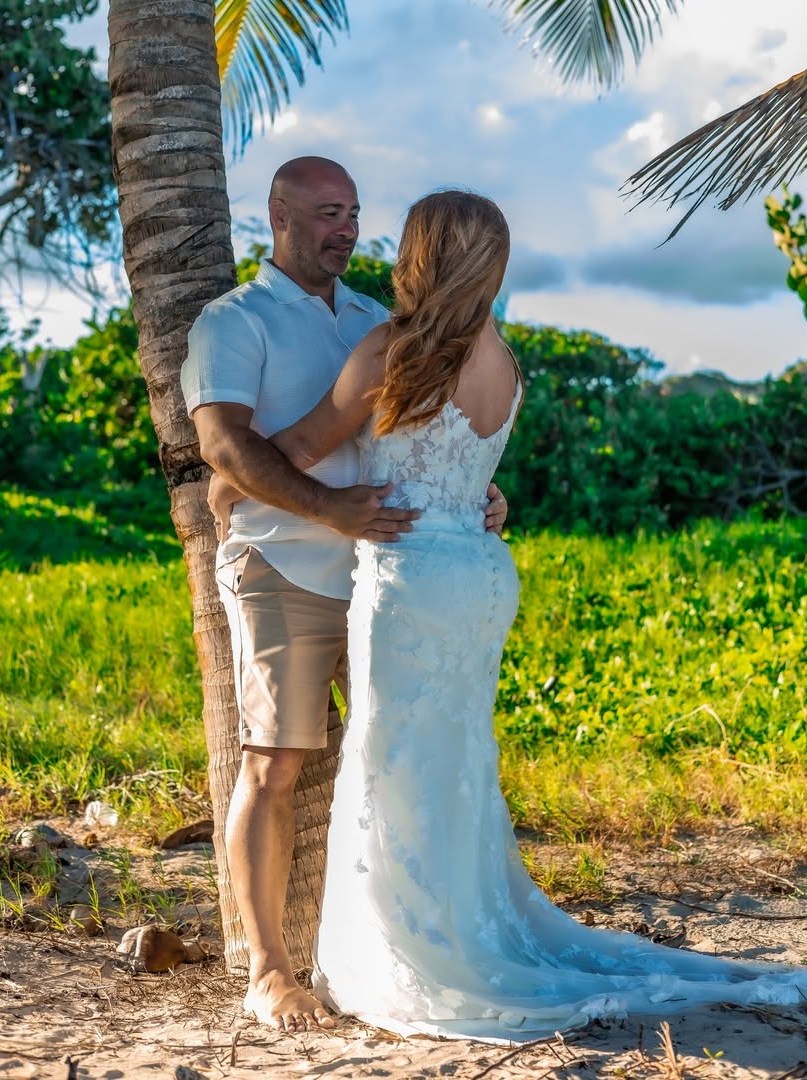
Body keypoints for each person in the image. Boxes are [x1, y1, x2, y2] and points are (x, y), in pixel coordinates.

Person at [262, 189, 807, 1042]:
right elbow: (466, 465)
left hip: (411, 573)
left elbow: (297, 452)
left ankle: (417, 946)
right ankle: (464, 921)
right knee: (451, 761)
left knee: (396, 761)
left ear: (421, 252)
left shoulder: (391, 349)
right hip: (479, 571)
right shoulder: (504, 360)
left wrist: (220, 459)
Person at [179, 158, 508, 1035]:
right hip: (286, 568)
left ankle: (408, 951)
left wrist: (472, 495)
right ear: (279, 216)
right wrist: (309, 502)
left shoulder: (381, 324)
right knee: (274, 762)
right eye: (327, 212)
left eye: (355, 213)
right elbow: (225, 443)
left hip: (384, 583)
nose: (346, 229)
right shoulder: (231, 322)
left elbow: (410, 438)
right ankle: (268, 972)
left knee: (397, 773)